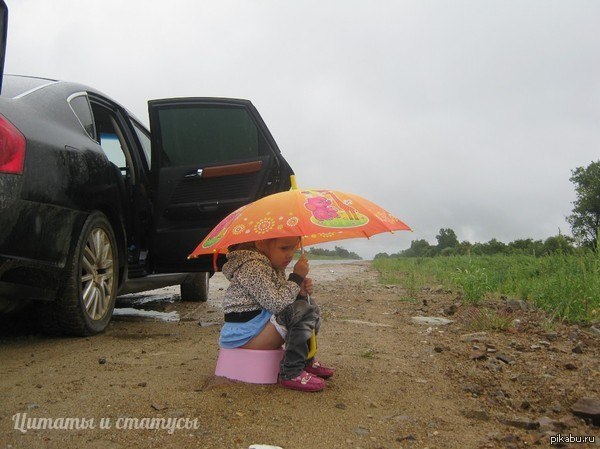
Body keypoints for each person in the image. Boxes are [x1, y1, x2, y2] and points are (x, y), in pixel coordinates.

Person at [219, 236, 334, 392]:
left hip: (259, 324)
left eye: (293, 248)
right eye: (284, 248)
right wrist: (296, 278)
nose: (290, 254)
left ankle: (305, 359)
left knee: (308, 305)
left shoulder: (271, 265)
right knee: (303, 310)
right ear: (260, 243)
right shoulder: (251, 267)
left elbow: (283, 301)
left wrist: (300, 291)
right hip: (246, 335)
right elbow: (277, 303)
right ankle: (292, 371)